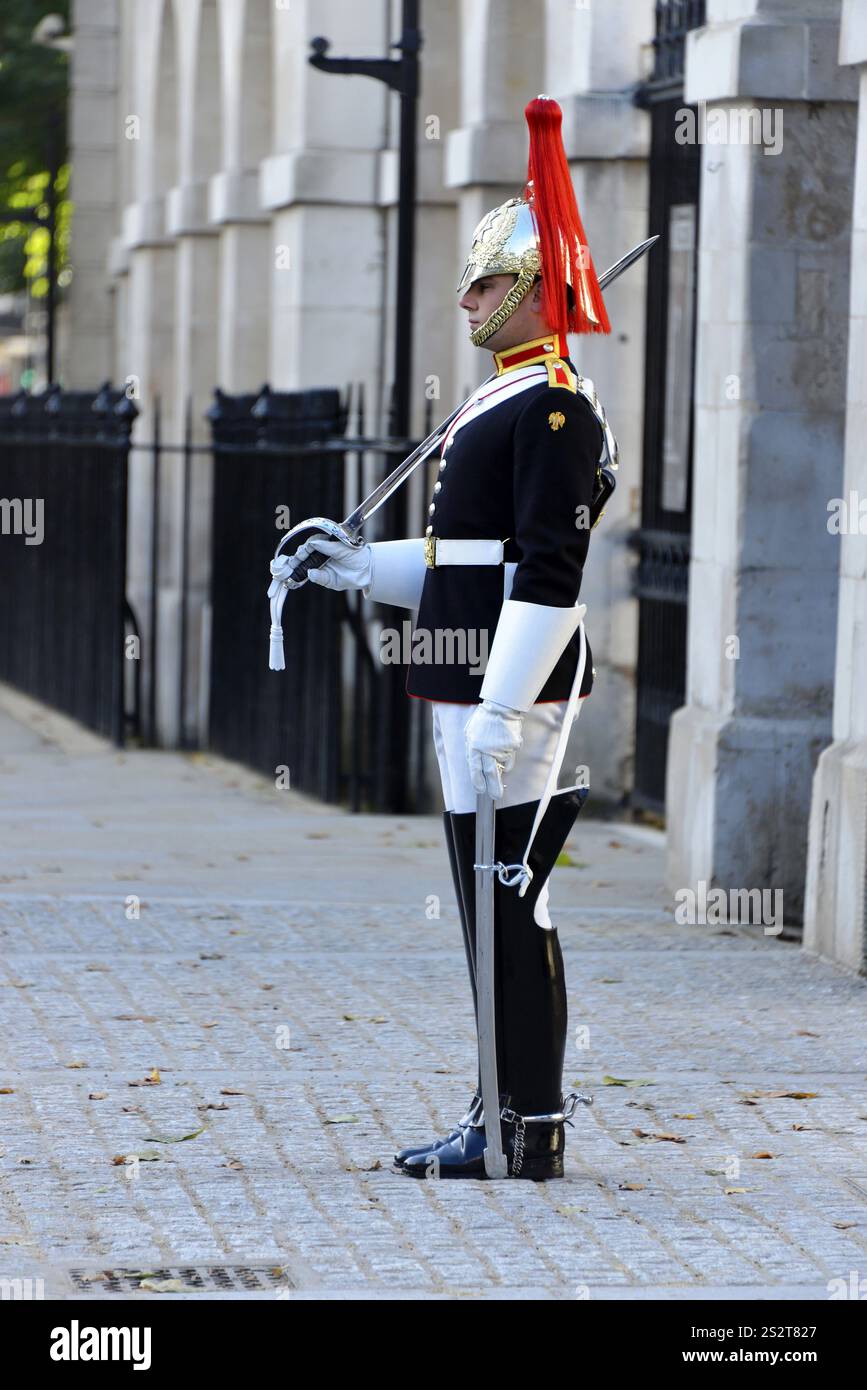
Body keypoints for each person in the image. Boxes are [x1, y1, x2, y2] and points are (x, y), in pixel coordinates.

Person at [270, 96, 617, 1180]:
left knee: (510, 899)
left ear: (526, 291)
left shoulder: (555, 408)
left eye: (484, 281)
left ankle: (525, 1124)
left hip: (507, 687)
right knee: (487, 904)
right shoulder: (503, 401)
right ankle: (506, 1109)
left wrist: (505, 709)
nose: (466, 297)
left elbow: (547, 574)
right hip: (462, 677)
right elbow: (463, 563)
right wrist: (357, 568)